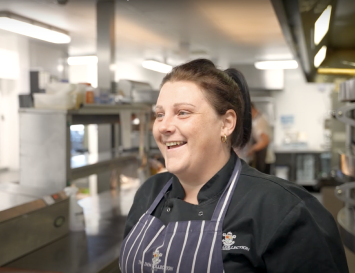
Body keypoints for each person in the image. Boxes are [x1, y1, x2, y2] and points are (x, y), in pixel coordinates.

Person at [119, 59, 349, 273]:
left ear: (226, 124)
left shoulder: (282, 208)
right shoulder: (150, 193)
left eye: (183, 113)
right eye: (160, 114)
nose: (164, 126)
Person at [249, 103, 275, 174]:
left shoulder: (260, 121)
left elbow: (265, 141)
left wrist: (252, 149)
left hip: (265, 158)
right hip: (262, 157)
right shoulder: (256, 120)